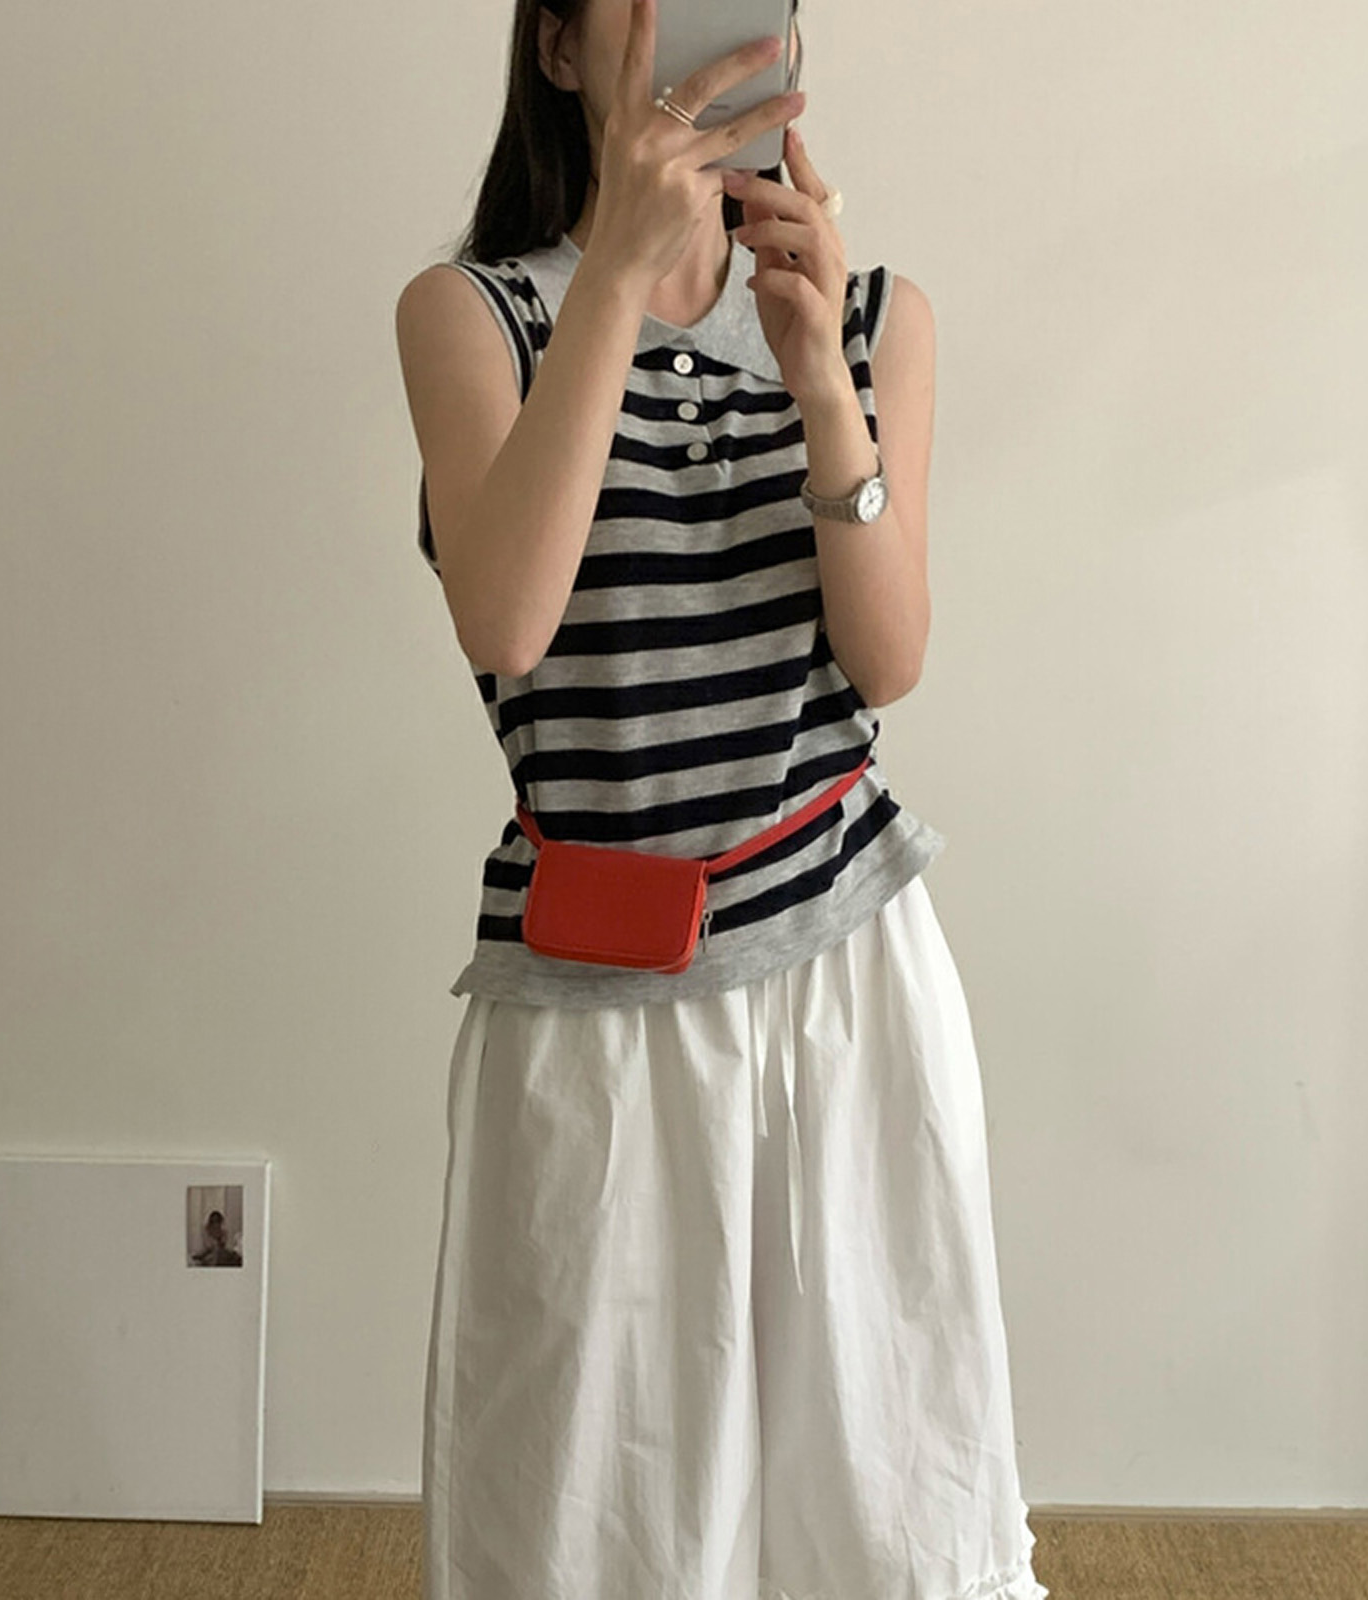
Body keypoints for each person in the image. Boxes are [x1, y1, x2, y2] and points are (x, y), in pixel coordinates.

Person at [395, 2, 1048, 1597]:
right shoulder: (473, 314)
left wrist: (821, 373)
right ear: (559, 51)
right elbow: (507, 621)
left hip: (848, 978)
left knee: (887, 1495)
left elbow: (887, 661)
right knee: (591, 1517)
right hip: (594, 1007)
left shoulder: (874, 312)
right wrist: (617, 274)